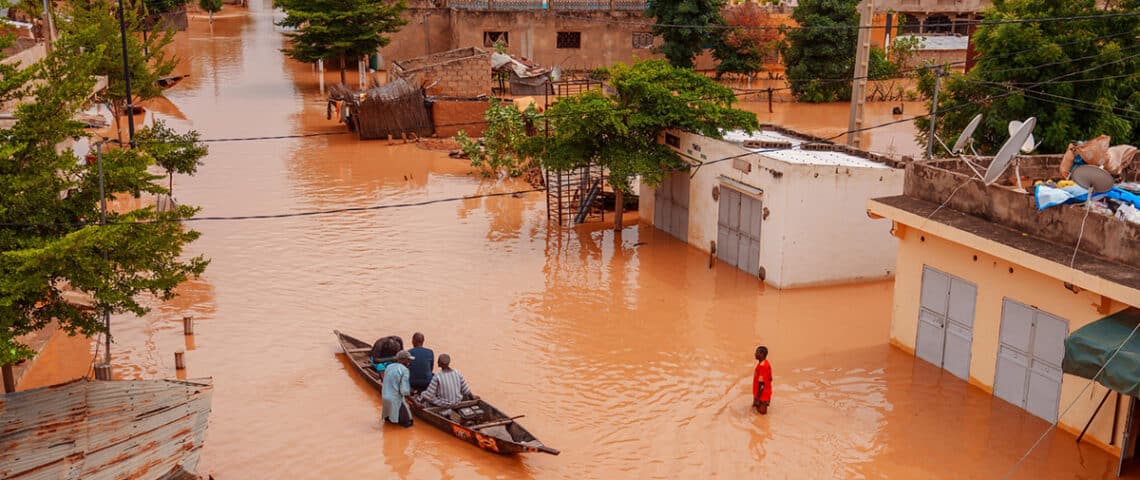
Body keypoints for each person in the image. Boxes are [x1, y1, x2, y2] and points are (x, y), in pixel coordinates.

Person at [382, 350, 415, 427]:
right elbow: (404, 392)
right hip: (395, 399)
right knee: (409, 423)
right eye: (408, 359)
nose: (409, 361)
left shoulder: (389, 366)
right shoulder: (405, 370)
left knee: (388, 422)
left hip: (385, 397)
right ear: (404, 360)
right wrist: (415, 403)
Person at [753, 346, 773, 415]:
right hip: (760, 393)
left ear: (762, 354)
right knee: (755, 412)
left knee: (762, 414)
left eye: (757, 352)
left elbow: (762, 384)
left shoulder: (763, 366)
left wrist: (757, 398)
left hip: (762, 395)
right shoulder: (765, 363)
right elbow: (770, 378)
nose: (755, 354)